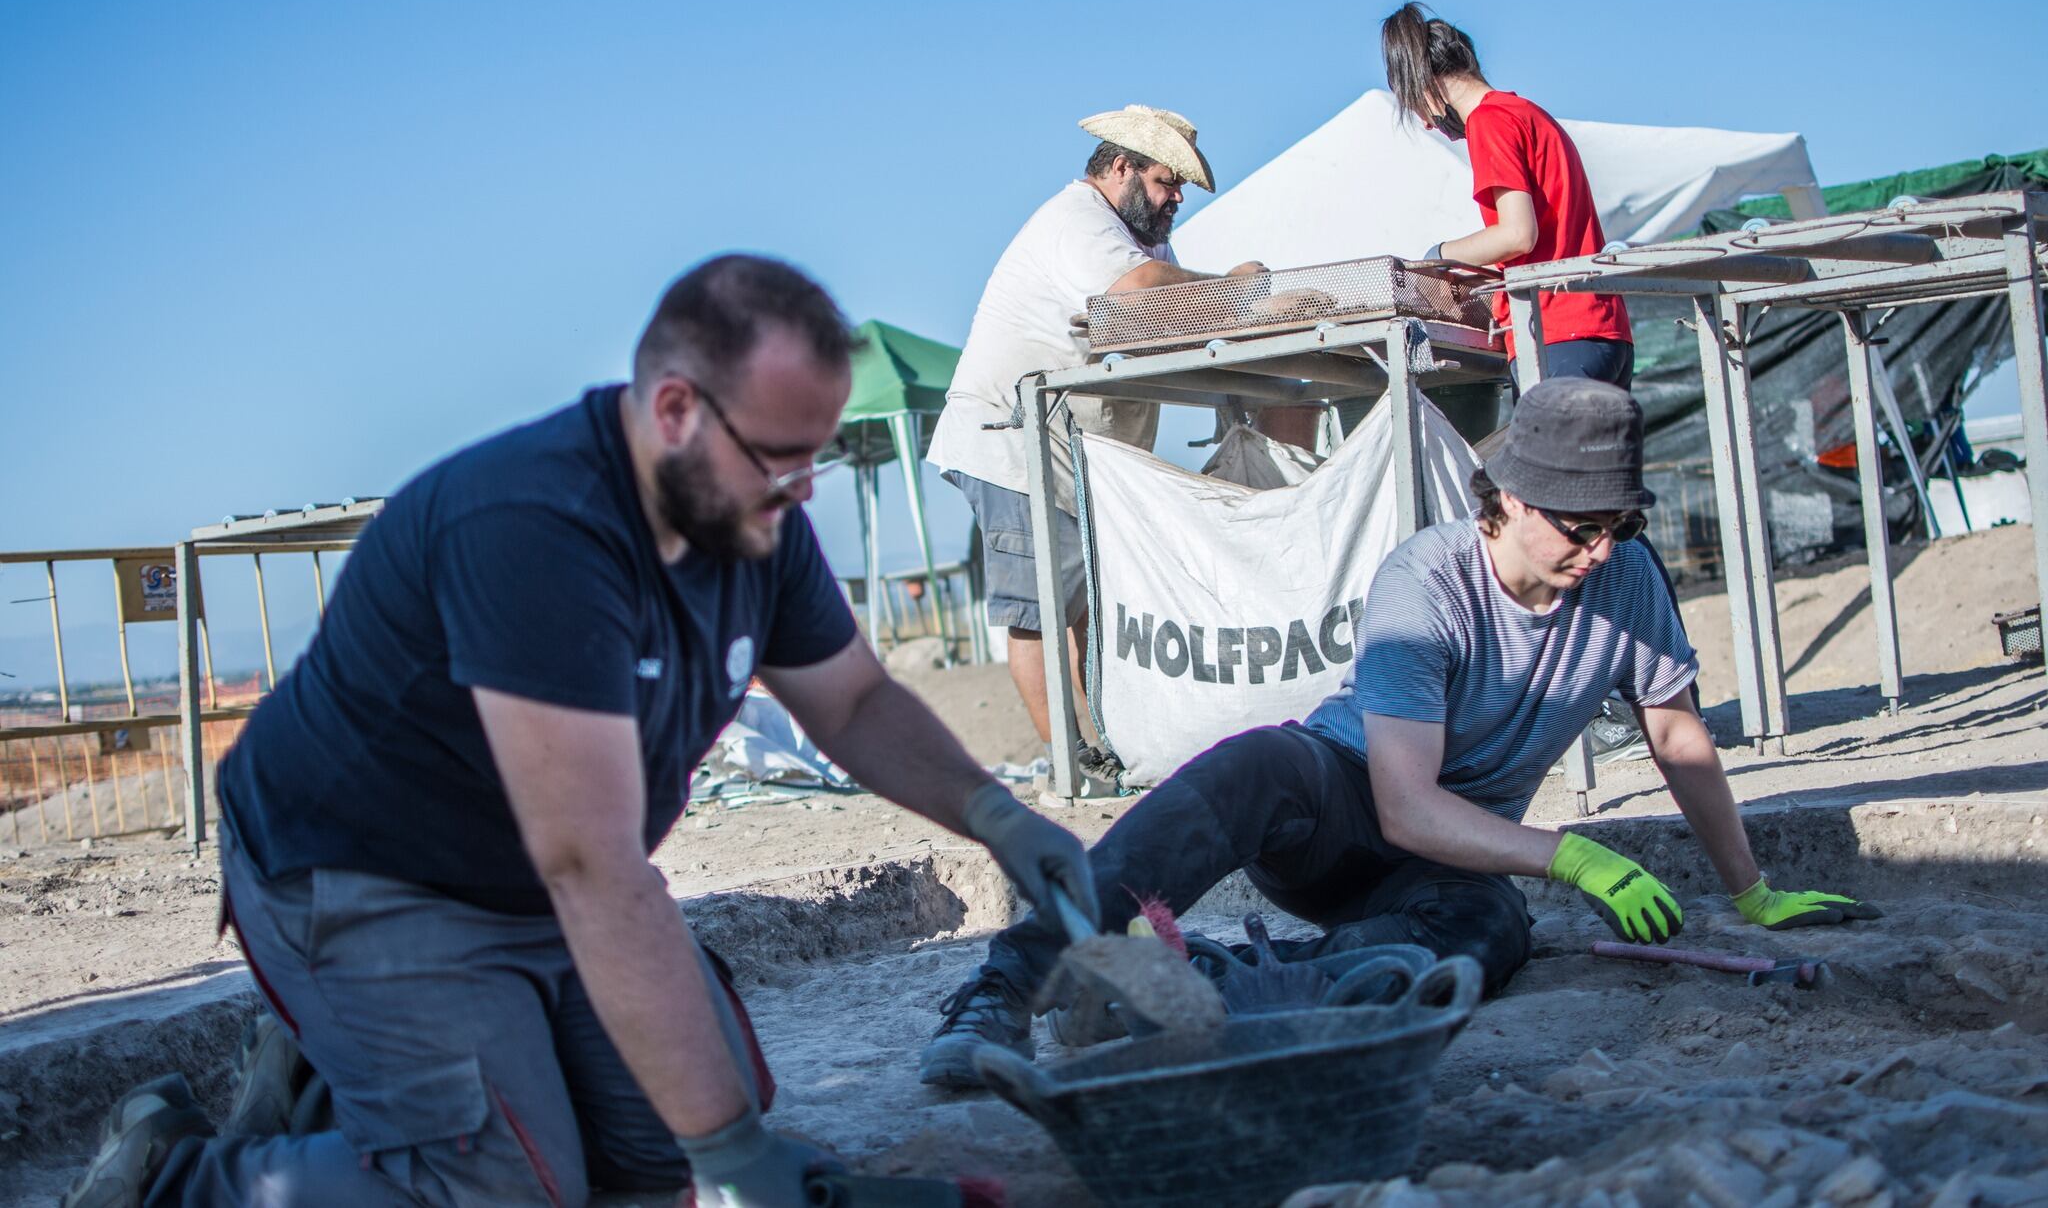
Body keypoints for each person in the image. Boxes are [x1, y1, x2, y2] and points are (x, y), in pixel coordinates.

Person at [65, 255, 1098, 1208]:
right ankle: (181, 1176)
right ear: (675, 408)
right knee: (512, 1181)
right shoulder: (532, 529)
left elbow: (855, 702)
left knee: (660, 1144)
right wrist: (733, 1157)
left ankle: (342, 1096)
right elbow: (594, 871)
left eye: (811, 459)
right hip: (364, 877)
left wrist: (996, 816)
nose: (800, 492)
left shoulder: (749, 518)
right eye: (780, 460)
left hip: (537, 878)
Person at [918, 377, 1878, 1090]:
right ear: (1504, 499)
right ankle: (1008, 985)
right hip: (1341, 804)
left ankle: (1230, 988)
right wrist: (1573, 855)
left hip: (1445, 855)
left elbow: (1678, 738)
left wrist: (1752, 894)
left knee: (1492, 926)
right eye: (1577, 527)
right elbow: (1403, 802)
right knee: (1258, 764)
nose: (1597, 551)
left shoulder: (1627, 579)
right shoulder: (1427, 581)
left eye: (1615, 527)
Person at [925, 106, 1267, 756]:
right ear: (1121, 167)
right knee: (1041, 609)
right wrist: (1236, 291)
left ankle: (1102, 747)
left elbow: (1174, 318)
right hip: (1012, 442)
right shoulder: (1079, 223)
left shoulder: (1145, 240)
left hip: (1063, 448)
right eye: (1169, 181)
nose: (1176, 198)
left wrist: (1249, 310)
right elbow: (1140, 297)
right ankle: (1069, 766)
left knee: (1082, 601)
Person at [1382, 1, 1633, 389]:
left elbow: (1517, 234)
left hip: (1557, 333)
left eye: (1416, 107)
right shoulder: (1526, 113)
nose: (1427, 124)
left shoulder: (1490, 120)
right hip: (1603, 332)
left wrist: (1438, 257)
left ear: (1426, 85)